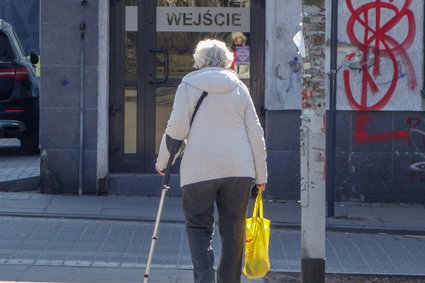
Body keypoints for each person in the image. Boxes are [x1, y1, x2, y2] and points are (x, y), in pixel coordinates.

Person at [155, 39, 267, 283]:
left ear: (200, 60)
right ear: (227, 60)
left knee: (198, 226)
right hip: (238, 169)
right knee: (234, 229)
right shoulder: (239, 87)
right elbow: (255, 134)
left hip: (199, 168)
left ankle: (204, 279)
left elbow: (176, 129)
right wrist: (261, 176)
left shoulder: (188, 85)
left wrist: (163, 161)